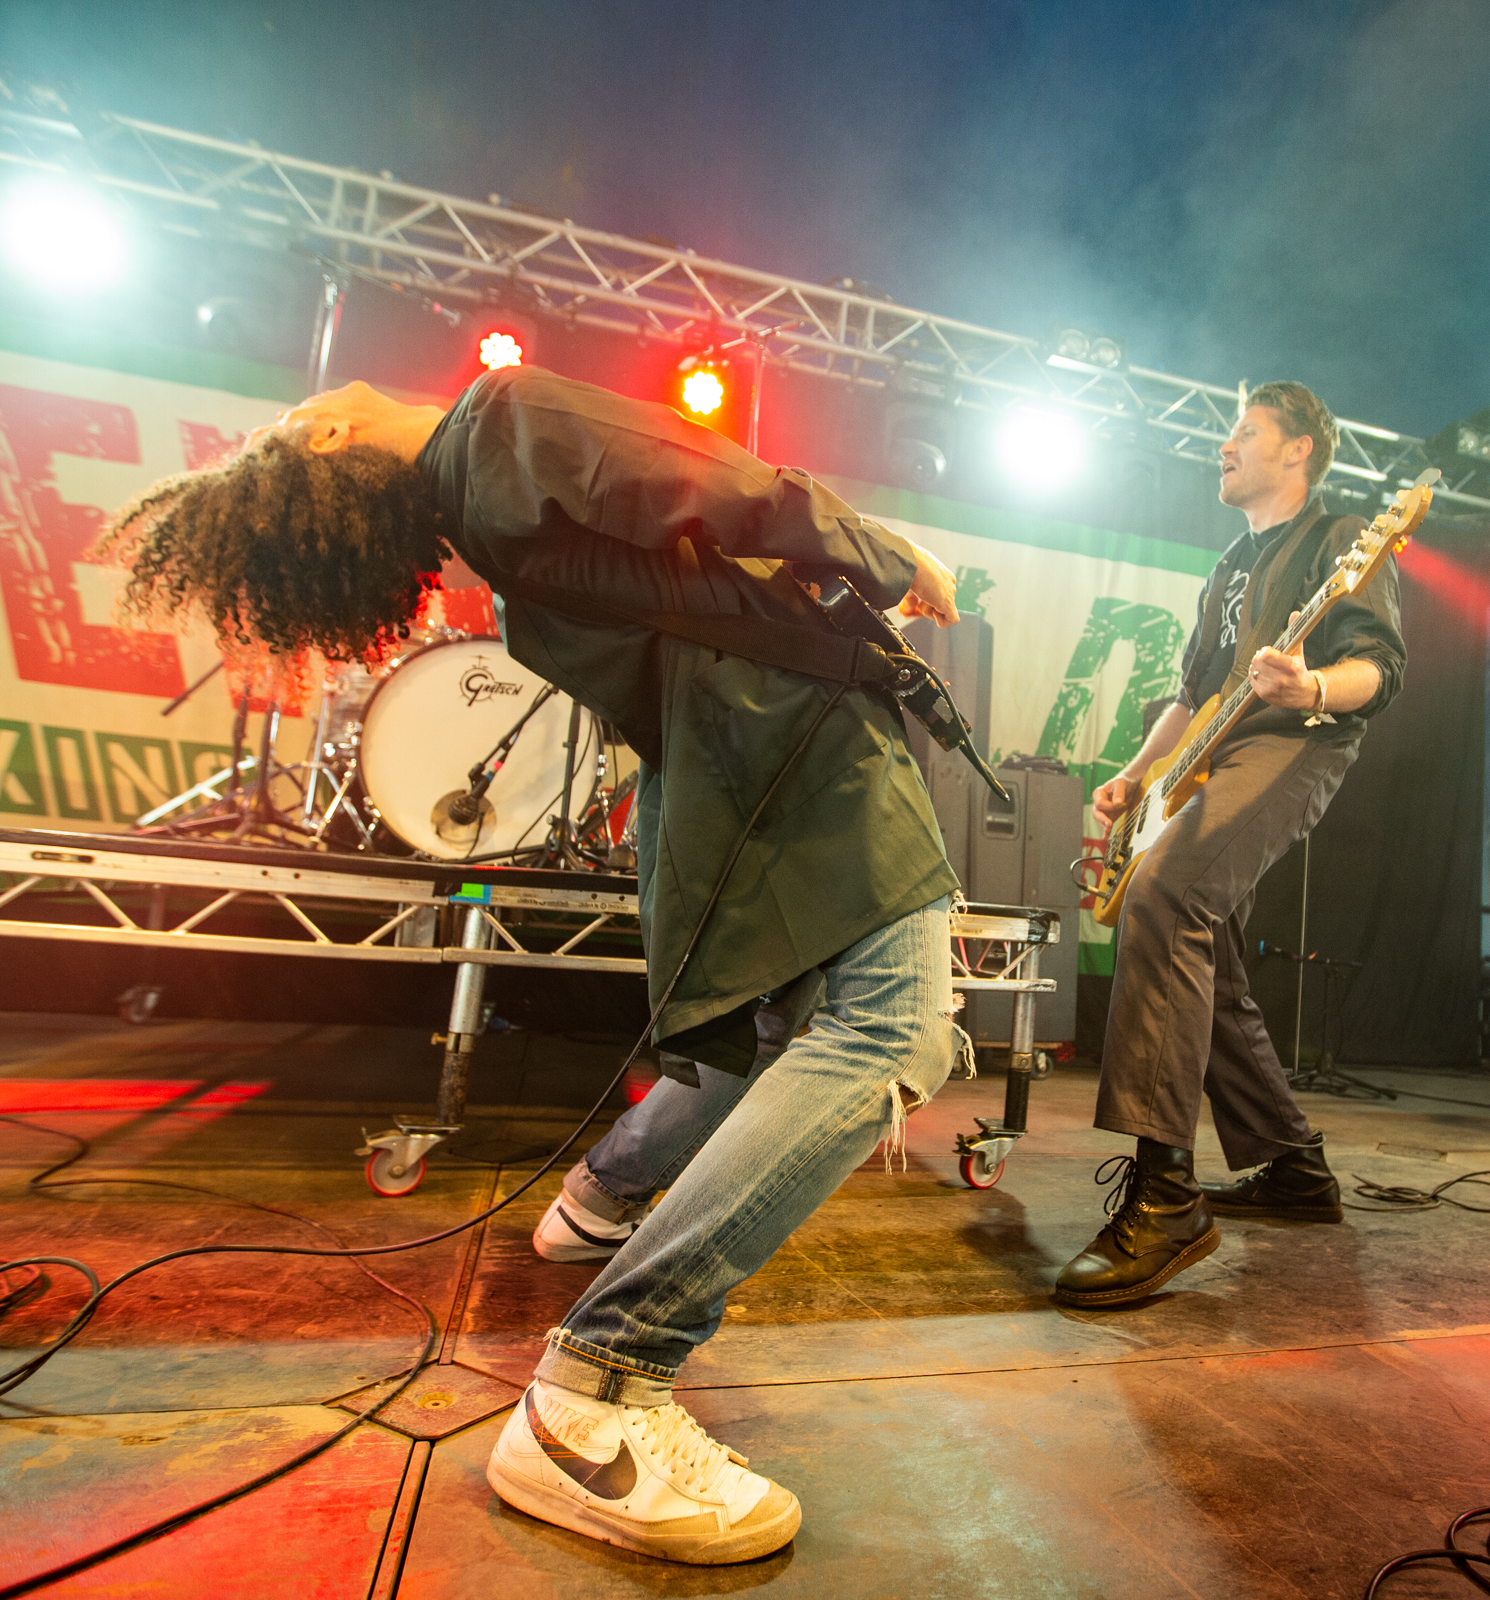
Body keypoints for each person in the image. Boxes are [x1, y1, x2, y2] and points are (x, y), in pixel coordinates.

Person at [100, 364, 970, 1566]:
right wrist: (876, 547)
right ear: (334, 433)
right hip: (803, 755)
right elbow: (709, 478)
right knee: (889, 1029)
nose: (304, 403)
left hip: (743, 767)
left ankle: (602, 1208)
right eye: (292, 421)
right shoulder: (496, 422)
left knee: (767, 1042)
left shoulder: (492, 531)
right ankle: (597, 1388)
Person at [1061, 381, 1405, 1309]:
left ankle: (1167, 1197)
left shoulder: (1341, 538)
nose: (1225, 445)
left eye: (1245, 431)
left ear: (1298, 450)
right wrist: (1138, 774)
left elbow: (1380, 667)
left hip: (1297, 739)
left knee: (1167, 897)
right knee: (1200, 947)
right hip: (1221, 744)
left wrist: (1312, 687)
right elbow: (1194, 693)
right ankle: (1294, 1169)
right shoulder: (1229, 565)